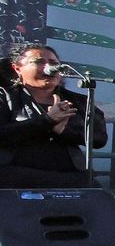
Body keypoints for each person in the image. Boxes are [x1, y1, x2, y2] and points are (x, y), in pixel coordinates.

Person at [1, 43, 107, 189]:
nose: (48, 67)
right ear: (17, 68)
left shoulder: (78, 101)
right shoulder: (4, 96)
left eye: (53, 63)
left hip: (67, 174)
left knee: (97, 195)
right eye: (39, 62)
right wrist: (48, 120)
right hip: (16, 172)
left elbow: (99, 139)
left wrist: (63, 131)